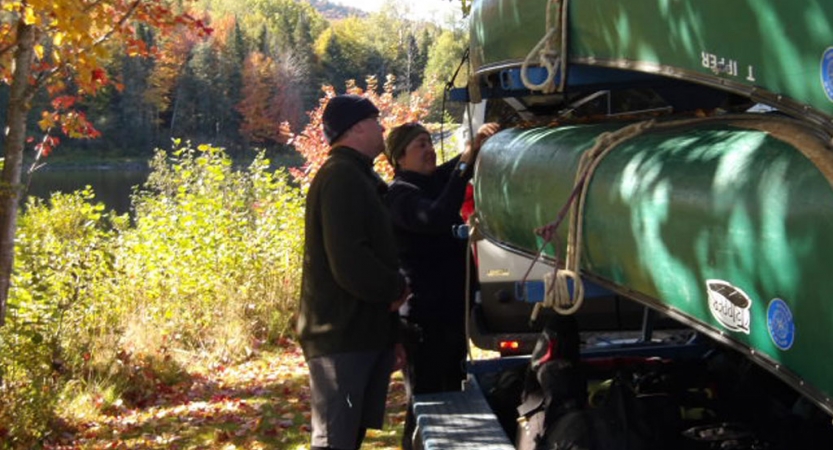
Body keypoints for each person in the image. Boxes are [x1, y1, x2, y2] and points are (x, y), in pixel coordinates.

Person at [297, 94, 411, 450]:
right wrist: (395, 288)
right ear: (357, 128)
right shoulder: (340, 177)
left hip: (358, 330)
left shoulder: (356, 174)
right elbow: (350, 262)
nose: (382, 128)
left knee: (348, 436)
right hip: (341, 334)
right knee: (335, 439)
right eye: (376, 121)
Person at [383, 121, 500, 449]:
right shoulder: (400, 196)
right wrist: (464, 164)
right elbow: (435, 216)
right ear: (399, 157)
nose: (430, 150)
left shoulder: (429, 183)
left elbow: (451, 171)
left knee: (453, 400)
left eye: (430, 142)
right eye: (420, 144)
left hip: (449, 315)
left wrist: (476, 147)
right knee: (427, 403)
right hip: (423, 321)